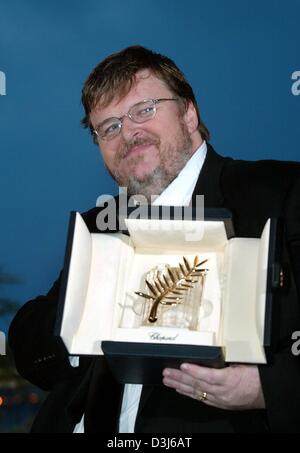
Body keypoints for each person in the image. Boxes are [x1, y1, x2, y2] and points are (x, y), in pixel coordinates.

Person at [8, 45, 300, 433]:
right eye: (108, 127)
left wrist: (267, 388)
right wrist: (82, 319)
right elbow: (29, 346)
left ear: (189, 114)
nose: (128, 132)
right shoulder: (97, 227)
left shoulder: (282, 192)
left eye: (144, 110)